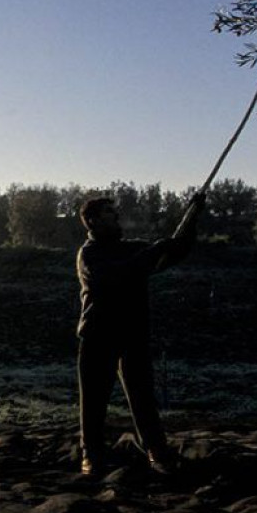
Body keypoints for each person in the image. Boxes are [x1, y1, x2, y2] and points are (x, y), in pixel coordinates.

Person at [75, 193, 205, 476]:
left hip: (133, 335)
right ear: (93, 221)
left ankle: (157, 453)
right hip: (98, 336)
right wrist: (156, 249)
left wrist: (191, 216)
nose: (116, 216)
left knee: (143, 398)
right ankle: (92, 456)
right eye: (109, 213)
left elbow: (174, 251)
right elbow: (111, 277)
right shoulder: (89, 254)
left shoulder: (131, 249)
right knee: (94, 402)